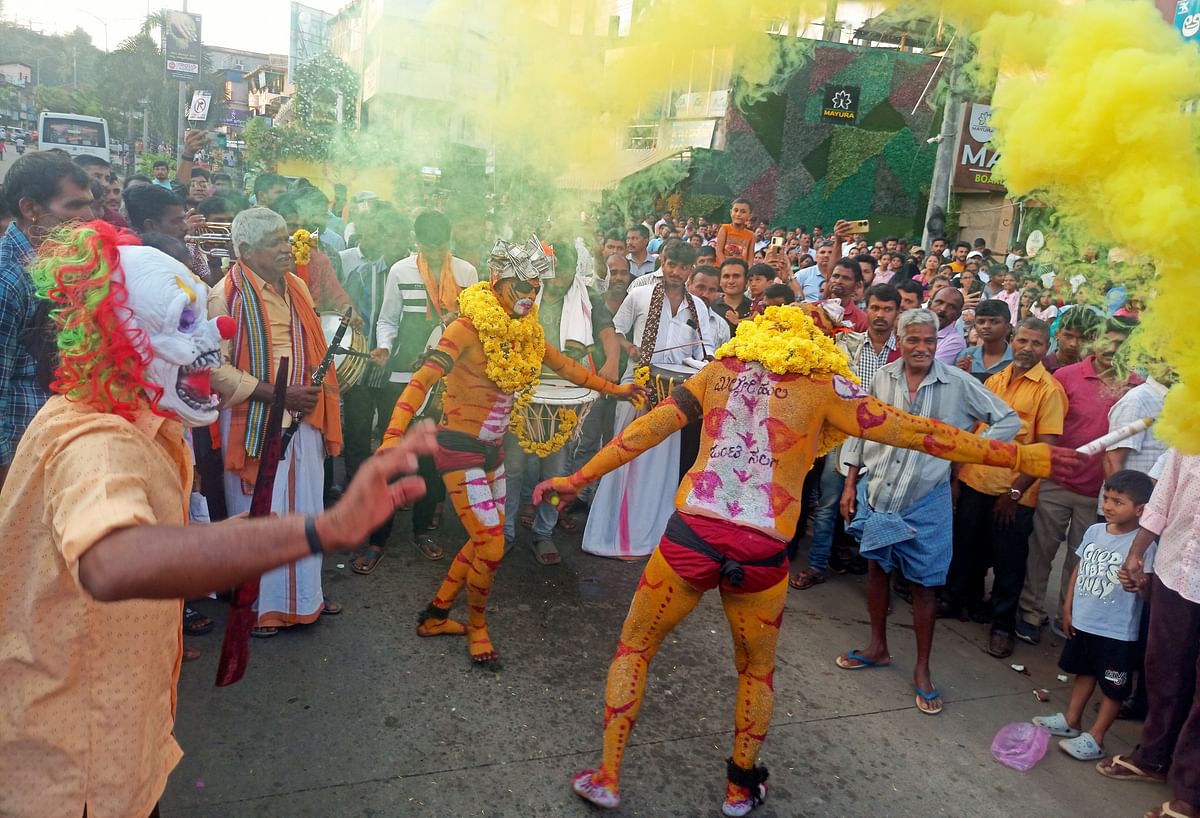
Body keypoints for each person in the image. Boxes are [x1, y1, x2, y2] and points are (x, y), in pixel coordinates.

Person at [534, 305, 1082, 817]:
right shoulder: (829, 387)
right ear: (819, 342)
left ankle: (606, 775)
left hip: (692, 535)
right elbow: (919, 434)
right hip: (763, 550)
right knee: (755, 670)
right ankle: (738, 787)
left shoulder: (721, 368)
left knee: (636, 647)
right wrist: (1022, 455)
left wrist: (576, 479)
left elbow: (647, 427)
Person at [0, 219, 438, 818]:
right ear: (120, 338)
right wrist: (321, 531)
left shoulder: (135, 418)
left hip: (118, 744)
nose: (216, 335)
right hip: (78, 769)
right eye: (186, 324)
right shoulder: (98, 442)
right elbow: (111, 560)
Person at [380, 235, 639, 663]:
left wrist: (618, 389)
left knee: (484, 541)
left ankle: (437, 612)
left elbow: (569, 368)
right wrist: (392, 436)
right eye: (522, 288)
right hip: (458, 447)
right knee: (493, 545)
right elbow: (422, 380)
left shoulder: (526, 331)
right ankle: (477, 626)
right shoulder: (465, 328)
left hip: (494, 451)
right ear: (497, 282)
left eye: (536, 289)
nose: (530, 296)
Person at [836, 308, 1021, 716]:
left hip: (927, 500)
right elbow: (863, 427)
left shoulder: (957, 382)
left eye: (929, 341)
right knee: (876, 568)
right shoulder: (884, 377)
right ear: (900, 342)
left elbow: (1007, 419)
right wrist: (850, 483)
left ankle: (922, 668)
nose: (921, 348)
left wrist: (969, 451)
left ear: (938, 344)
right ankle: (878, 646)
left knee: (925, 584)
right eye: (914, 340)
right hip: (880, 490)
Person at [208, 207, 345, 637]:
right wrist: (277, 393)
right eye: (275, 244)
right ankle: (259, 608)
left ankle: (306, 599)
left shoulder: (297, 285)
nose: (287, 249)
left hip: (303, 412)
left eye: (286, 239)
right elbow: (214, 369)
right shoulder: (224, 296)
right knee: (259, 511)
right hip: (254, 418)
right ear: (246, 251)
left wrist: (306, 394)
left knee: (306, 506)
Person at [581, 240, 719, 560]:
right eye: (672, 265)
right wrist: (630, 350)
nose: (676, 272)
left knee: (661, 466)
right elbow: (613, 332)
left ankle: (650, 535)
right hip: (637, 386)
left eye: (684, 268)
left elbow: (707, 351)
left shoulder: (697, 307)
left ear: (690, 270)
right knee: (625, 455)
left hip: (675, 396)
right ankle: (613, 533)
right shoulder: (641, 293)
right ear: (663, 261)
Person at [945, 319, 1068, 657]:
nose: (1028, 349)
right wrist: (958, 476)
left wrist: (1014, 493)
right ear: (1013, 340)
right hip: (975, 481)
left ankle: (1002, 627)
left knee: (1008, 564)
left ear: (1047, 348)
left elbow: (1046, 451)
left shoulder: (1049, 391)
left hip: (1012, 493)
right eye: (1023, 341)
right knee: (966, 548)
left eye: (1037, 344)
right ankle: (957, 602)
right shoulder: (996, 379)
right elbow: (977, 430)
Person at [1019, 318, 1142, 645]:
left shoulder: (1136, 388)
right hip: (1058, 483)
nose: (1111, 350)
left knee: (1081, 559)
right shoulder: (1065, 377)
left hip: (1101, 493)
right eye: (1107, 341)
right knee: (1041, 551)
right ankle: (1030, 613)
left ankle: (1067, 618)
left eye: (1121, 345)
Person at [1096, 451, 1200, 818]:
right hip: (1176, 572)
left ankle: (1191, 791)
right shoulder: (1190, 430)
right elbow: (1162, 500)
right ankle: (1154, 756)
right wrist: (1136, 552)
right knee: (1165, 670)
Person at [505, 238, 620, 564]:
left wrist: (611, 362)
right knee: (512, 468)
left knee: (557, 469)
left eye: (565, 272)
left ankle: (543, 533)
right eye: (553, 272)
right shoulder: (523, 290)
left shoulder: (588, 296)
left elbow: (607, 331)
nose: (558, 279)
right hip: (523, 390)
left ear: (574, 271)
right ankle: (506, 534)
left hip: (568, 394)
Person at [1032, 470, 1156, 761]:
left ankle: (1097, 737)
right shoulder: (1094, 531)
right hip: (1085, 621)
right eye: (1107, 498)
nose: (1109, 506)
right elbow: (1079, 567)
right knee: (1084, 671)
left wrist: (1140, 586)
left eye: (1118, 501)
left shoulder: (1144, 546)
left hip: (1117, 631)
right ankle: (1072, 721)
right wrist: (1068, 606)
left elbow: (1148, 593)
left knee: (1114, 687)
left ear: (1140, 509)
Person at [790, 283, 902, 591]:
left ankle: (877, 586)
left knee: (877, 510)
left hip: (881, 443)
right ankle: (816, 565)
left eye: (887, 309)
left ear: (897, 313)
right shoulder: (847, 344)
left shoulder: (901, 353)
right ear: (867, 309)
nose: (880, 315)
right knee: (828, 504)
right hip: (842, 438)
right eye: (875, 308)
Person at [0, 153, 94, 490]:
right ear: (30, 209)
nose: (89, 217)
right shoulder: (7, 278)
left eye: (89, 205)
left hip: (54, 451)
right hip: (18, 463)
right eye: (74, 206)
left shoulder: (62, 262)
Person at [956, 299, 1012, 383]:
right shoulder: (966, 355)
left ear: (1008, 328)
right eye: (981, 322)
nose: (986, 326)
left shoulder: (1015, 359)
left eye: (994, 322)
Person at [1044, 306, 1102, 372]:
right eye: (1068, 336)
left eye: (1082, 338)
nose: (1074, 344)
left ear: (1091, 339)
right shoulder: (1041, 367)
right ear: (1057, 334)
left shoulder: (1094, 370)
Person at [928, 286, 966, 364]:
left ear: (958, 315)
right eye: (939, 302)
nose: (943, 309)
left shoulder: (954, 342)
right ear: (929, 304)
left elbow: (927, 369)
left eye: (951, 307)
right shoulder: (912, 329)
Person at [718, 257, 752, 335]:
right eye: (726, 276)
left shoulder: (754, 308)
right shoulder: (711, 309)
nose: (731, 281)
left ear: (746, 280)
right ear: (720, 281)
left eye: (736, 276)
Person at [714, 197, 754, 265]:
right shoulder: (724, 228)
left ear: (750, 216)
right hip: (722, 269)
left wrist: (748, 273)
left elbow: (750, 258)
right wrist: (726, 268)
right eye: (735, 210)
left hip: (740, 271)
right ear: (730, 212)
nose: (738, 214)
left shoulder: (751, 235)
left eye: (743, 212)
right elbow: (719, 252)